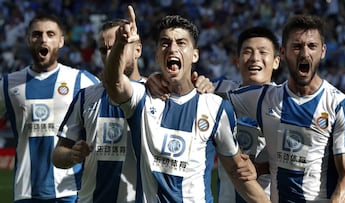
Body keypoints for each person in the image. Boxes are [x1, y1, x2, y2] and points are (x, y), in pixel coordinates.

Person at [102, 5, 270, 202]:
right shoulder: (142, 97)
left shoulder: (215, 106)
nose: (172, 48)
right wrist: (121, 45)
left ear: (195, 55)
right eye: (165, 43)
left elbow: (236, 171)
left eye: (181, 43)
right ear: (157, 55)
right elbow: (113, 82)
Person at [226, 15, 345, 202]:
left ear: (322, 51)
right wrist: (188, 85)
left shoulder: (341, 107)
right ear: (283, 52)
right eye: (297, 46)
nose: (305, 54)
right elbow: (211, 99)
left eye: (312, 46)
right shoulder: (264, 98)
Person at [0, 13, 99, 202]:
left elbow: (114, 104)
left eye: (50, 34)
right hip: (26, 192)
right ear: (29, 39)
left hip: (70, 191)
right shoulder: (8, 85)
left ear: (61, 41)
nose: (43, 39)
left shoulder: (82, 80)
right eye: (37, 34)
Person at [51, 19, 145, 203]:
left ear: (138, 50)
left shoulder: (156, 94)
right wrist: (72, 155)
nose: (110, 54)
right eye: (104, 49)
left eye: (119, 45)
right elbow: (58, 155)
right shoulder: (87, 96)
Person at [213, 26, 280, 203]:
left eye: (262, 52)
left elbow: (301, 157)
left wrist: (260, 168)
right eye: (247, 52)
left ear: (276, 61)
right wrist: (200, 83)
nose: (255, 58)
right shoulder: (221, 90)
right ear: (237, 60)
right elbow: (185, 86)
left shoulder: (282, 102)